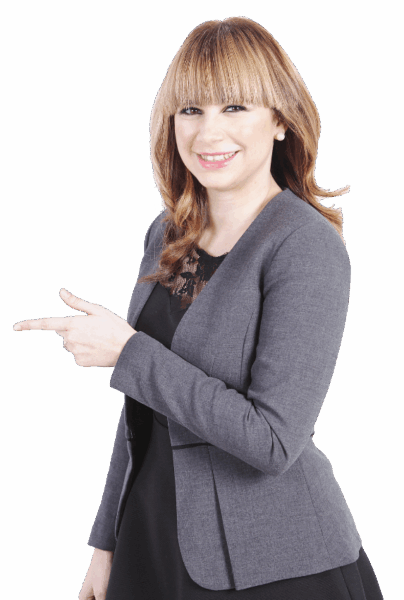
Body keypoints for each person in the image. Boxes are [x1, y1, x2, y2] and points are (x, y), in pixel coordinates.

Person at [13, 16, 385, 600]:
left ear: (281, 120)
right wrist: (105, 543)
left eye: (235, 107)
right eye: (191, 109)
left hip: (272, 563)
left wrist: (129, 352)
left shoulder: (305, 246)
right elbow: (141, 408)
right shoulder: (169, 231)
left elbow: (272, 441)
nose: (209, 132)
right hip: (152, 536)